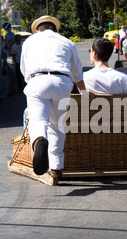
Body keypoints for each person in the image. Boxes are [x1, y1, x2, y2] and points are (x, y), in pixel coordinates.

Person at [20, 15, 86, 179]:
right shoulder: (66, 42)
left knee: (38, 121)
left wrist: (32, 80)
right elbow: (77, 73)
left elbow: (24, 69)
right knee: (57, 126)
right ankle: (56, 168)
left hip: (38, 79)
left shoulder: (29, 42)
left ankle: (40, 140)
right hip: (62, 81)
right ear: (55, 29)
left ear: (37, 29)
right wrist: (85, 93)